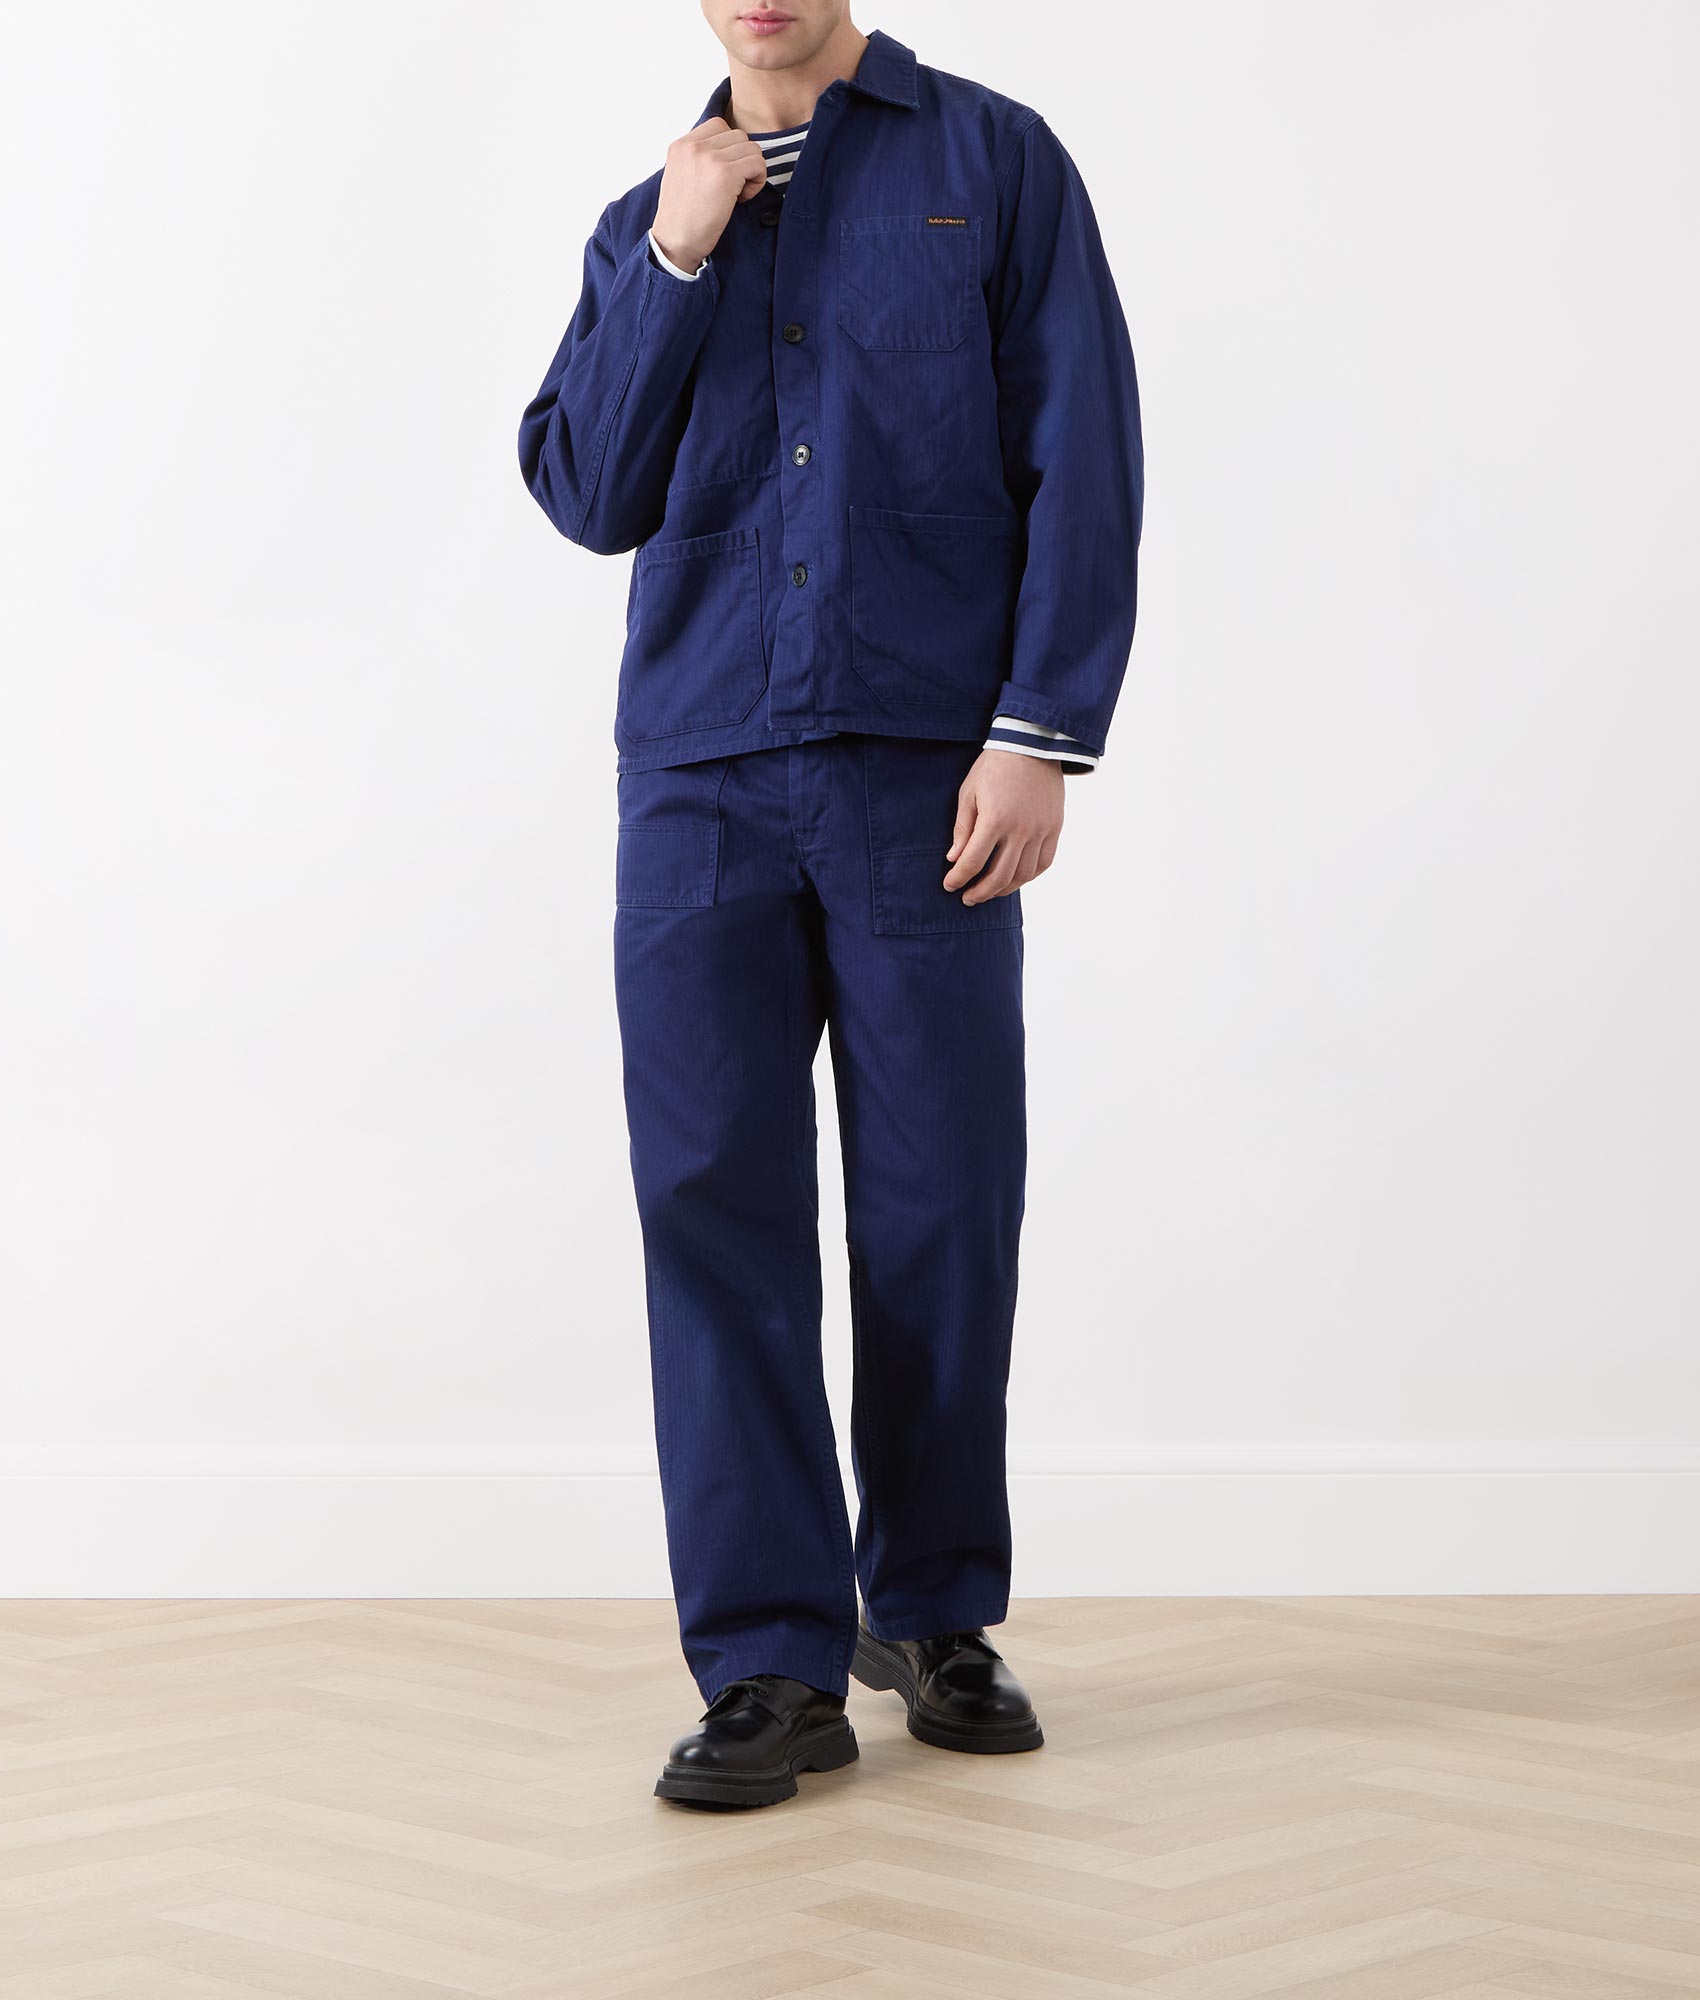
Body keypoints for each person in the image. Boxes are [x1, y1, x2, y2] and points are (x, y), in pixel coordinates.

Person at [517, 2, 1142, 1809]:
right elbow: (586, 489)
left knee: (943, 1198)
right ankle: (770, 1662)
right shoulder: (651, 212)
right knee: (713, 1207)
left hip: (919, 774)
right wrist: (676, 254)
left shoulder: (992, 165)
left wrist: (1040, 734)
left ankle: (932, 1611)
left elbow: (1082, 448)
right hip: (698, 775)